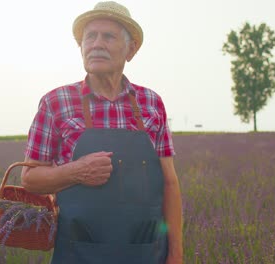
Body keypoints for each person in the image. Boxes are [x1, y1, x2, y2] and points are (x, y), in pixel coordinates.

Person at [21, 1, 183, 263]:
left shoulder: (152, 103)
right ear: (81, 46)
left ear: (131, 49)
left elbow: (169, 182)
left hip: (146, 253)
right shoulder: (55, 102)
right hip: (78, 253)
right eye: (90, 37)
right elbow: (30, 178)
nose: (96, 44)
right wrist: (76, 171)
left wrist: (176, 253)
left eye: (108, 36)